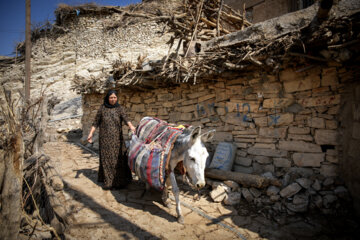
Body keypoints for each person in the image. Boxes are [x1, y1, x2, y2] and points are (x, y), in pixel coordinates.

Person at [87, 90, 136, 190]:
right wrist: (91, 133)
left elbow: (126, 119)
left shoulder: (119, 108)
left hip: (117, 139)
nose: (113, 99)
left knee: (119, 159)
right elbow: (96, 122)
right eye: (111, 98)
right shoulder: (102, 109)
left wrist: (131, 127)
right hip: (104, 139)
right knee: (107, 160)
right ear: (107, 98)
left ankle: (120, 181)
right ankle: (108, 182)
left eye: (114, 97)